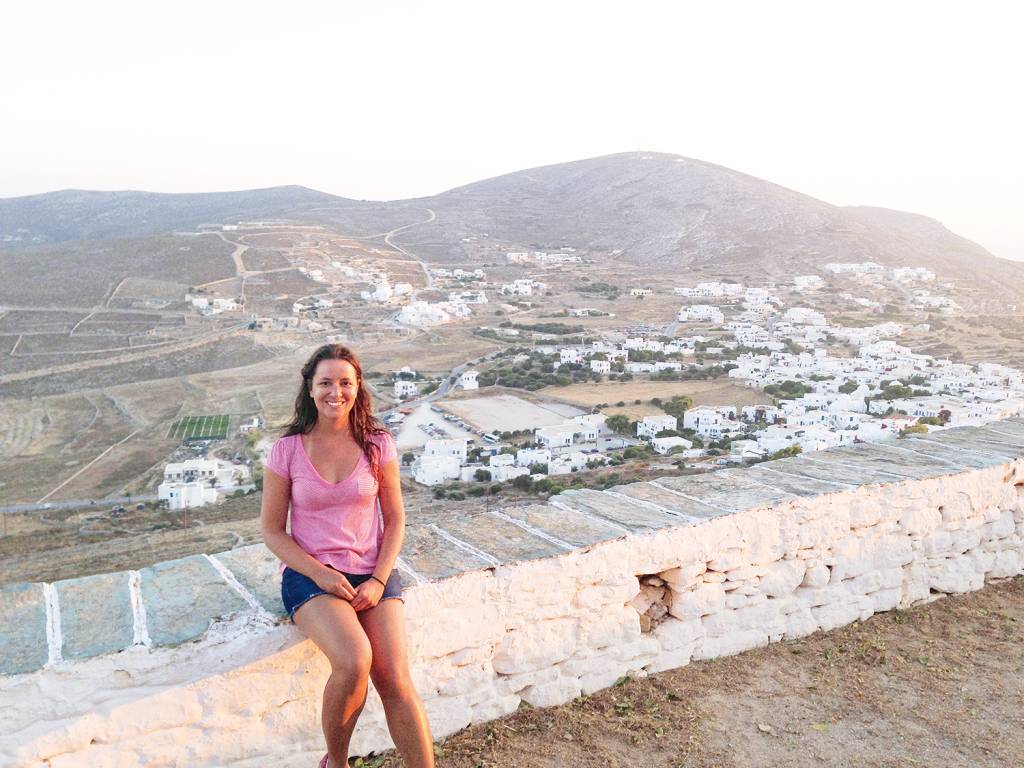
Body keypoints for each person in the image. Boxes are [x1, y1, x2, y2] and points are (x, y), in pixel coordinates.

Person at [261, 344, 434, 768]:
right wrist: (320, 573)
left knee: (394, 676)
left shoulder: (378, 444)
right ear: (310, 387)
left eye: (345, 382)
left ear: (358, 387)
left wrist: (378, 579)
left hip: (371, 570)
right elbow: (271, 530)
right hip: (310, 575)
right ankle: (336, 763)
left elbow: (394, 519)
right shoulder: (286, 451)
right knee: (355, 660)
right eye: (325, 382)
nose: (335, 391)